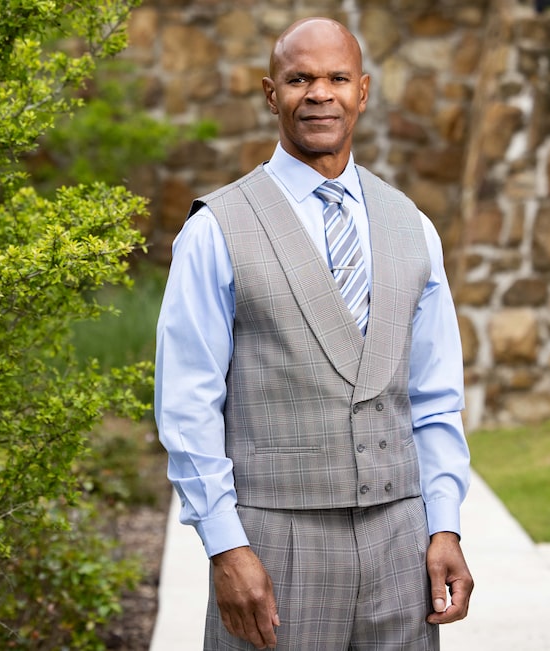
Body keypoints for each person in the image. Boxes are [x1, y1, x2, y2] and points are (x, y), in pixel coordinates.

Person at [154, 16, 473, 651]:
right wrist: (225, 547)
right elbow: (188, 404)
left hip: (401, 546)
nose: (320, 93)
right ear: (272, 94)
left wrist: (445, 527)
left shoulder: (414, 226)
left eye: (337, 78)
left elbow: (435, 397)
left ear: (363, 91)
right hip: (272, 547)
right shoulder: (216, 229)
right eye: (300, 78)